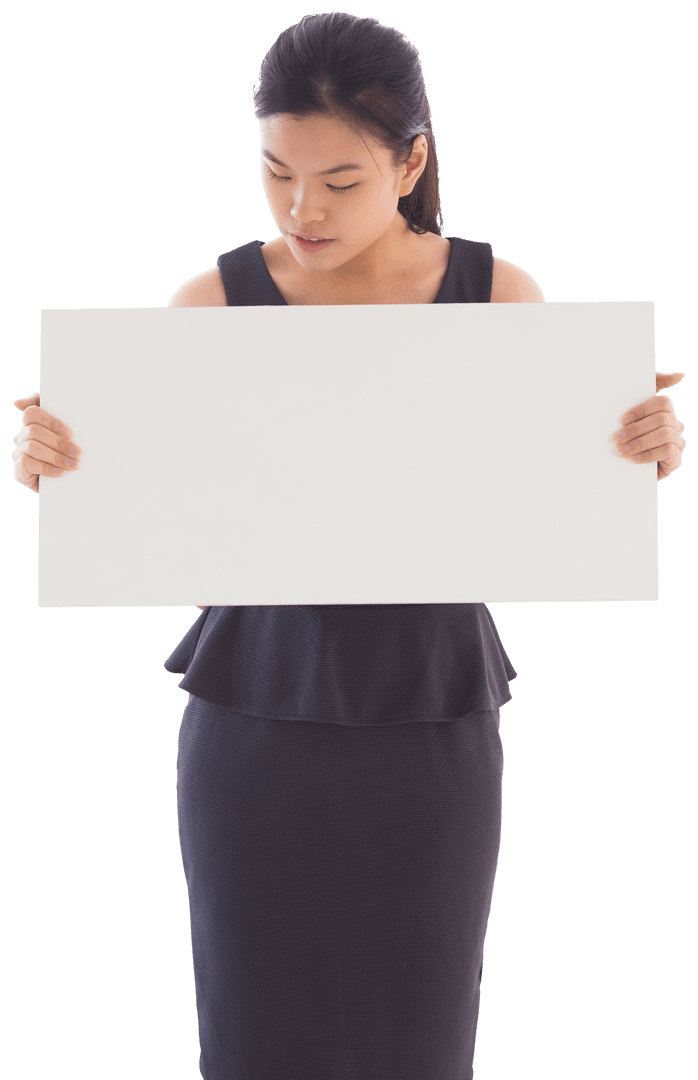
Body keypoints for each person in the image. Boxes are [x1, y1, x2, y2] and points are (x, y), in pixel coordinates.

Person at [10, 12, 687, 1080]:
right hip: (251, 718)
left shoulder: (497, 298)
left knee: (416, 1037)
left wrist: (633, 449)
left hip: (429, 717)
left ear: (410, 160)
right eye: (277, 173)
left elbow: (545, 500)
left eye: (339, 180)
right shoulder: (211, 303)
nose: (299, 209)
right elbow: (146, 503)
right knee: (255, 1033)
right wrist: (59, 458)